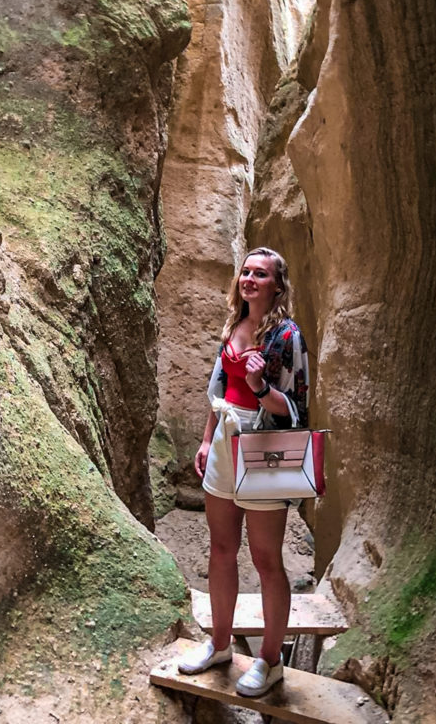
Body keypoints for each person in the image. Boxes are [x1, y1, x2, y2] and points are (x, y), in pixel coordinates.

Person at [177, 246, 309, 698]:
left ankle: (270, 662)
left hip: (265, 447)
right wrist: (205, 437)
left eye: (260, 274)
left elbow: (293, 409)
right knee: (220, 548)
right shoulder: (234, 324)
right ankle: (219, 645)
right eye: (246, 272)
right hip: (224, 442)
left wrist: (259, 386)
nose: (249, 279)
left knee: (267, 560)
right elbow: (218, 388)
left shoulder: (287, 336)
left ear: (277, 285)